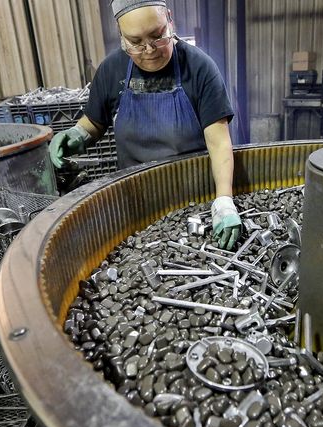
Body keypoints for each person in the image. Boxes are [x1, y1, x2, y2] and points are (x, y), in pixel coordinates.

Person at [49, 0, 241, 249]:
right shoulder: (112, 69)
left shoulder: (199, 67)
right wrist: (78, 133)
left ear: (169, 20)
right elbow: (94, 122)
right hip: (134, 201)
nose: (149, 49)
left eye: (157, 35)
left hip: (194, 201)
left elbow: (219, 142)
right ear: (121, 36)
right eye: (135, 42)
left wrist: (224, 200)